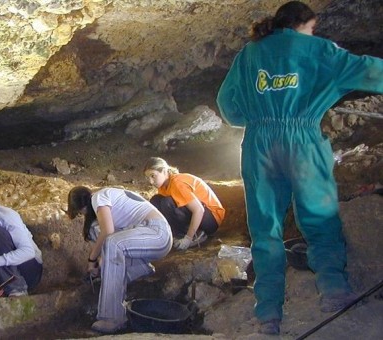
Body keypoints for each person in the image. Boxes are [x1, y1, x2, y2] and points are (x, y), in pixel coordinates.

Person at [216, 1, 383, 335]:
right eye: (311, 28)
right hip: (303, 139)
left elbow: (227, 107)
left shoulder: (249, 54)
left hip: (259, 144)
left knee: (265, 227)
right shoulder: (319, 49)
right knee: (318, 217)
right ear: (305, 24)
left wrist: (259, 115)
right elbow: (370, 71)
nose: (313, 33)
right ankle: (333, 290)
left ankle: (268, 314)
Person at [66, 186, 173, 333]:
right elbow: (105, 234)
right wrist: (102, 264)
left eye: (80, 212)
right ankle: (139, 267)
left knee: (112, 242)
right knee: (97, 231)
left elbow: (108, 232)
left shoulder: (99, 197)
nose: (82, 214)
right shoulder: (105, 203)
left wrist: (91, 260)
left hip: (157, 233)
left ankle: (113, 318)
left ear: (83, 205)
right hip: (146, 234)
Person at [143, 157, 225, 250]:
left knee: (167, 202)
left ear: (165, 171)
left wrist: (188, 239)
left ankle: (194, 235)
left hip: (211, 219)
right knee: (156, 201)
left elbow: (199, 209)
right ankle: (174, 234)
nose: (150, 181)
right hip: (202, 214)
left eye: (153, 176)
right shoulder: (164, 186)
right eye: (148, 177)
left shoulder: (177, 183)